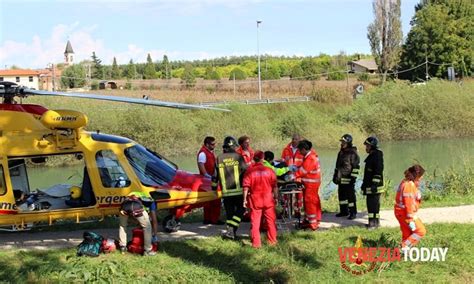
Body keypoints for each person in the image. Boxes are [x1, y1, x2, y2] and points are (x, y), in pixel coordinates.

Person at [213, 136, 247, 240]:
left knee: (229, 213)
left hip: (226, 192)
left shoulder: (219, 158)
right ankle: (232, 229)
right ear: (234, 146)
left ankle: (230, 233)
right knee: (241, 209)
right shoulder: (238, 157)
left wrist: (214, 189)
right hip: (238, 191)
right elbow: (246, 172)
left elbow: (215, 176)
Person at [243, 151, 278, 248]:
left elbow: (246, 187)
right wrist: (276, 197)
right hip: (268, 199)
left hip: (255, 200)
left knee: (255, 222)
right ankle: (272, 241)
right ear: (263, 159)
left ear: (254, 159)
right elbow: (275, 186)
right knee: (270, 221)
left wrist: (244, 199)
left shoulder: (249, 171)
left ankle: (256, 244)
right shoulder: (270, 170)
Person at [289, 139, 322, 230]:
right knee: (314, 202)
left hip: (311, 184)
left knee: (310, 202)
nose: (299, 152)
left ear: (304, 149)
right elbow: (304, 168)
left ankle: (312, 224)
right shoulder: (309, 156)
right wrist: (297, 168)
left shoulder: (311, 158)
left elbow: (303, 171)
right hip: (310, 183)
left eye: (300, 150)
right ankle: (311, 220)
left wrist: (291, 176)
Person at [394, 165, 427, 248]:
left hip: (400, 212)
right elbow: (408, 203)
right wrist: (410, 219)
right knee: (421, 231)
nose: (422, 178)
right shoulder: (409, 185)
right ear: (417, 175)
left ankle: (405, 251)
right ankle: (404, 246)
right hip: (405, 213)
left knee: (407, 233)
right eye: (421, 176)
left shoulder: (406, 181)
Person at [118, 192, 158, 256]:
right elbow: (154, 220)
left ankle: (122, 247)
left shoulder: (135, 192)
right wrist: (155, 235)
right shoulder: (151, 200)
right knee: (147, 227)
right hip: (136, 206)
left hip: (124, 206)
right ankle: (148, 250)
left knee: (123, 226)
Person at [333, 134, 360, 220]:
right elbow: (337, 166)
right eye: (341, 142)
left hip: (349, 179)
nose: (342, 143)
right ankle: (344, 211)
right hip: (341, 179)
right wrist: (335, 176)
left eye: (343, 142)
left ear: (348, 142)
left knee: (350, 197)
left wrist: (353, 178)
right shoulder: (341, 152)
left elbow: (356, 167)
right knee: (342, 197)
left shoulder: (352, 152)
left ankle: (353, 212)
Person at [197, 136, 223, 225]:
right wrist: (207, 176)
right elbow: (201, 165)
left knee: (211, 200)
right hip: (208, 180)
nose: (214, 145)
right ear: (207, 144)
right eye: (212, 144)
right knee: (214, 200)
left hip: (211, 179)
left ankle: (210, 219)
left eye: (215, 144)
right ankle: (213, 219)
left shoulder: (209, 152)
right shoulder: (203, 153)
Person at [361, 136, 384, 230]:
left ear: (372, 146)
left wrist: (374, 184)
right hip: (370, 185)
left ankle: (374, 224)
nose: (366, 147)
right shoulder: (372, 155)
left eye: (367, 146)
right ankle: (373, 222)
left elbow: (378, 170)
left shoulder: (377, 156)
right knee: (371, 205)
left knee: (374, 205)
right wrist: (364, 185)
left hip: (375, 186)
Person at [280, 134, 304, 217]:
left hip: (299, 175)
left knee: (299, 194)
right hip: (288, 175)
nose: (294, 140)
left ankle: (298, 210)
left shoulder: (302, 149)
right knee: (286, 194)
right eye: (293, 139)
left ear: (299, 140)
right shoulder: (286, 149)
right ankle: (286, 210)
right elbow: (283, 162)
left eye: (296, 139)